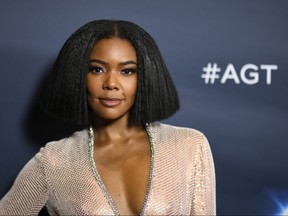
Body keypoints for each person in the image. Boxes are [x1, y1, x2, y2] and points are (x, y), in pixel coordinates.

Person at [0, 20, 216, 215]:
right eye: (97, 69)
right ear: (78, 76)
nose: (111, 83)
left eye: (127, 71)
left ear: (146, 78)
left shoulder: (189, 145)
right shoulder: (54, 161)